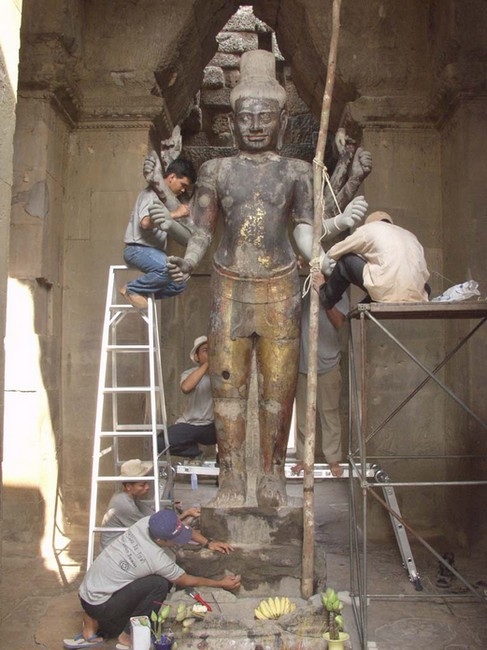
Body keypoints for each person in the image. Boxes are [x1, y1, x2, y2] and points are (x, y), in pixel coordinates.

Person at [166, 50, 369, 508]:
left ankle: (272, 476)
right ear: (233, 122)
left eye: (265, 115)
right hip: (227, 286)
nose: (255, 124)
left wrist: (319, 250)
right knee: (226, 389)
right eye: (246, 116)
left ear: (279, 119)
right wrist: (189, 258)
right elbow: (202, 228)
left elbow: (300, 227)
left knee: (278, 393)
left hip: (279, 288)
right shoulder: (217, 171)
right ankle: (233, 476)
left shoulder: (295, 171)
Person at [63, 509, 240, 649]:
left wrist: (208, 543)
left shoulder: (145, 523)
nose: (179, 541)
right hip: (100, 604)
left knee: (134, 577)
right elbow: (185, 580)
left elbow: (178, 527)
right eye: (175, 540)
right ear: (160, 540)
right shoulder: (156, 559)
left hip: (88, 590)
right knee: (160, 584)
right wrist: (220, 583)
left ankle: (91, 622)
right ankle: (127, 635)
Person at [292, 270, 349, 478]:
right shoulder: (301, 286)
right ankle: (302, 458)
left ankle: (333, 459)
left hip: (328, 364)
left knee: (329, 413)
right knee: (303, 417)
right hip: (302, 364)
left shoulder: (338, 290)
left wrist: (323, 292)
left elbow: (338, 322)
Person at [120, 157, 197, 310]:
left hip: (155, 252)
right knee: (166, 269)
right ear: (172, 177)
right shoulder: (151, 193)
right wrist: (174, 214)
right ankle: (132, 289)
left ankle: (144, 293)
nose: (183, 190)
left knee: (179, 283)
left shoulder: (167, 200)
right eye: (183, 185)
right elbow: (145, 223)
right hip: (137, 249)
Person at [319, 211, 430, 310]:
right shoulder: (410, 236)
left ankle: (326, 297)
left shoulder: (369, 229)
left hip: (386, 288)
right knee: (383, 273)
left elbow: (336, 251)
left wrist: (321, 261)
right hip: (416, 295)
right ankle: (376, 298)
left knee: (345, 260)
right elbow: (424, 273)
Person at [98, 459, 200, 550]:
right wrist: (184, 523)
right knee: (167, 548)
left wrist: (186, 513)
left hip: (125, 542)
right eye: (142, 485)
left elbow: (155, 518)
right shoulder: (124, 504)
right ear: (129, 486)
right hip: (114, 550)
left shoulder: (130, 497)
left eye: (147, 483)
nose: (147, 487)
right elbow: (154, 530)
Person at [158, 336, 216, 458]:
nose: (211, 354)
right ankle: (195, 451)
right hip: (191, 424)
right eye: (206, 351)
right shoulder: (189, 373)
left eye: (213, 350)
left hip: (211, 427)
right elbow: (186, 387)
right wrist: (207, 364)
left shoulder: (221, 373)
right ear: (196, 356)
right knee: (159, 443)